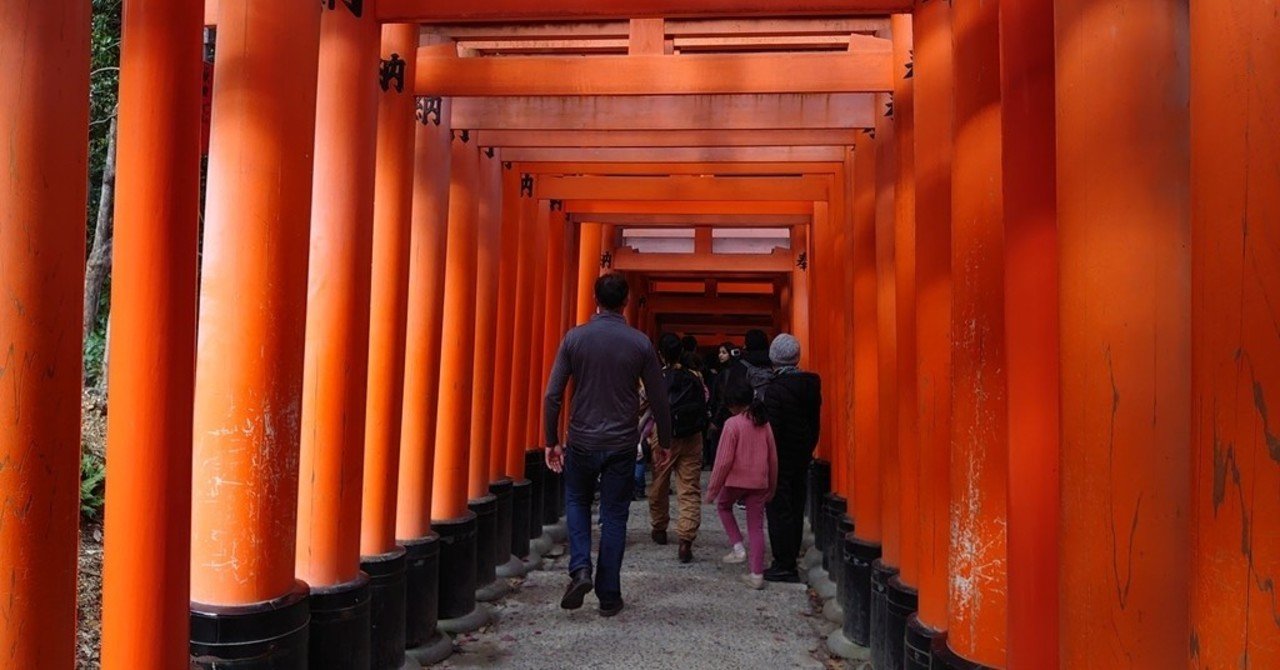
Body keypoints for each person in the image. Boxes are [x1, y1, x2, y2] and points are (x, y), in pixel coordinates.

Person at [543, 273, 672, 617]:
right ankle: (609, 594)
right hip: (621, 443)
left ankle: (580, 568)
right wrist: (665, 442)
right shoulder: (640, 343)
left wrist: (551, 441)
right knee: (615, 517)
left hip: (582, 439)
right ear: (626, 301)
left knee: (577, 501)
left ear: (594, 299)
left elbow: (553, 395)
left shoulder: (575, 339)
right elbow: (659, 398)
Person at [756, 333, 821, 583]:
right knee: (795, 505)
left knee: (778, 508)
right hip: (802, 453)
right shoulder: (811, 385)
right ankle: (790, 557)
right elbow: (814, 423)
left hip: (780, 456)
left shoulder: (775, 390)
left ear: (774, 358)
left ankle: (783, 563)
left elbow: (773, 429)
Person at [704, 383, 778, 589]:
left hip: (736, 480)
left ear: (733, 404)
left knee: (723, 506)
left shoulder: (732, 424)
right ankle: (757, 574)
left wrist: (712, 490)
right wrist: (772, 485)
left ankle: (738, 546)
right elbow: (773, 458)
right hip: (759, 481)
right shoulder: (764, 423)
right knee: (756, 526)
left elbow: (723, 461)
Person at [647, 332, 707, 563]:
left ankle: (660, 527)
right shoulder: (695, 376)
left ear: (660, 354)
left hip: (664, 436)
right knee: (689, 487)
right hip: (692, 436)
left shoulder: (656, 377)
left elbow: (644, 403)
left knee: (659, 483)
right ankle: (686, 538)